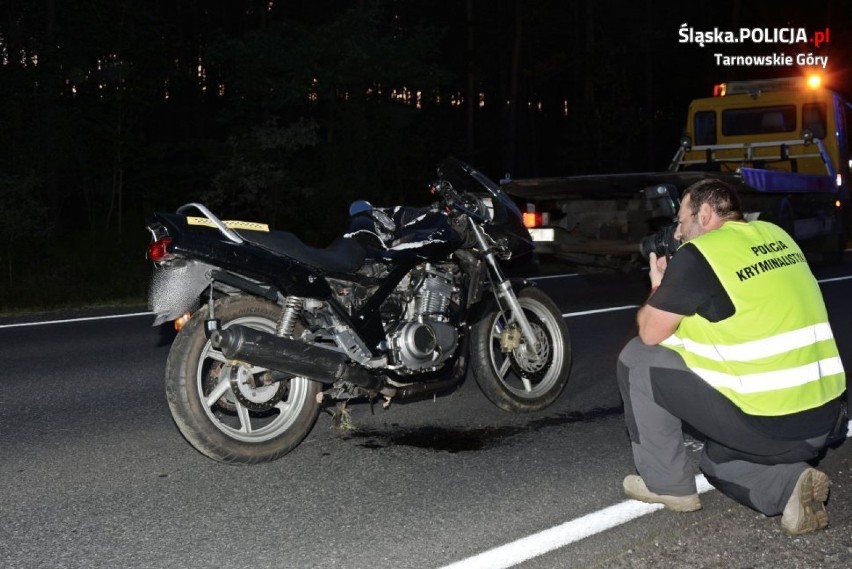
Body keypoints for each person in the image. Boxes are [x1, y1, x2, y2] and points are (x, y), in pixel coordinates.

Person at [617, 177, 847, 534]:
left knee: (637, 358)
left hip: (775, 425)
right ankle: (792, 485)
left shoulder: (702, 255)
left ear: (705, 214)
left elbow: (649, 332)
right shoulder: (777, 235)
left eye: (681, 221)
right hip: (825, 421)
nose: (677, 233)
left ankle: (667, 486)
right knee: (720, 457)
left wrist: (660, 286)